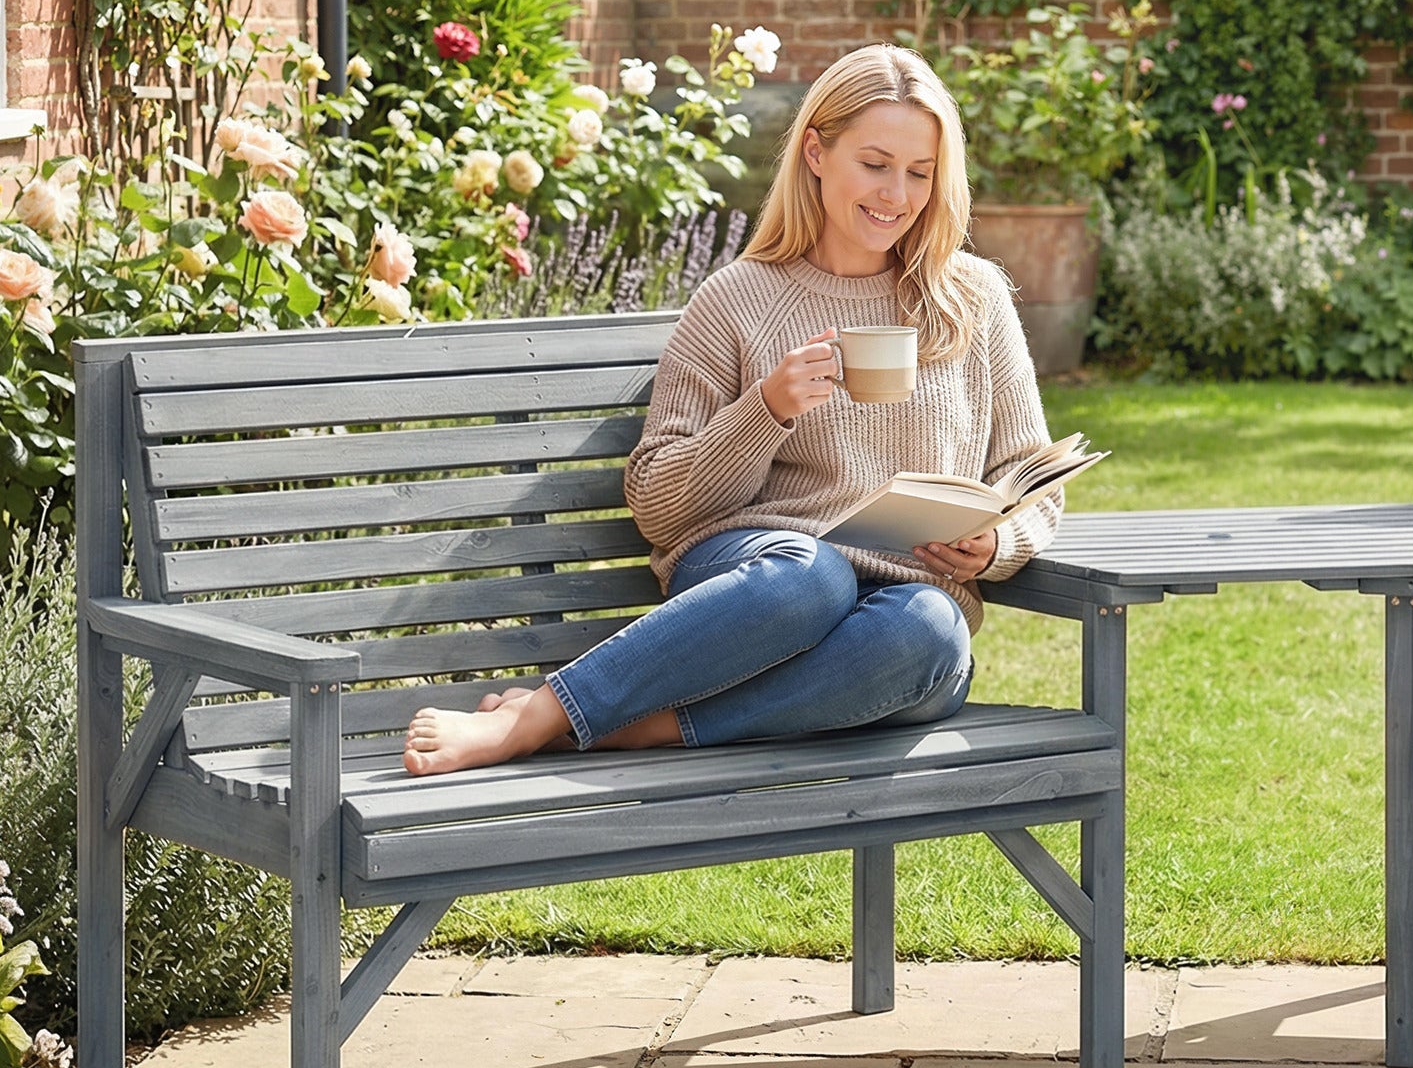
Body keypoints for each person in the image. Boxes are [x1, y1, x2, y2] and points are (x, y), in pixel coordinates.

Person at [401, 43, 1063, 776]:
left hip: (895, 629)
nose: (896, 195)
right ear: (816, 152)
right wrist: (766, 408)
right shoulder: (737, 299)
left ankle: (646, 727)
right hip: (761, 583)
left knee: (936, 631)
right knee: (814, 576)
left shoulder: (971, 297)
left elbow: (1032, 474)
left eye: (920, 171)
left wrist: (998, 547)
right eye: (875, 164)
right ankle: (540, 717)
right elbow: (657, 505)